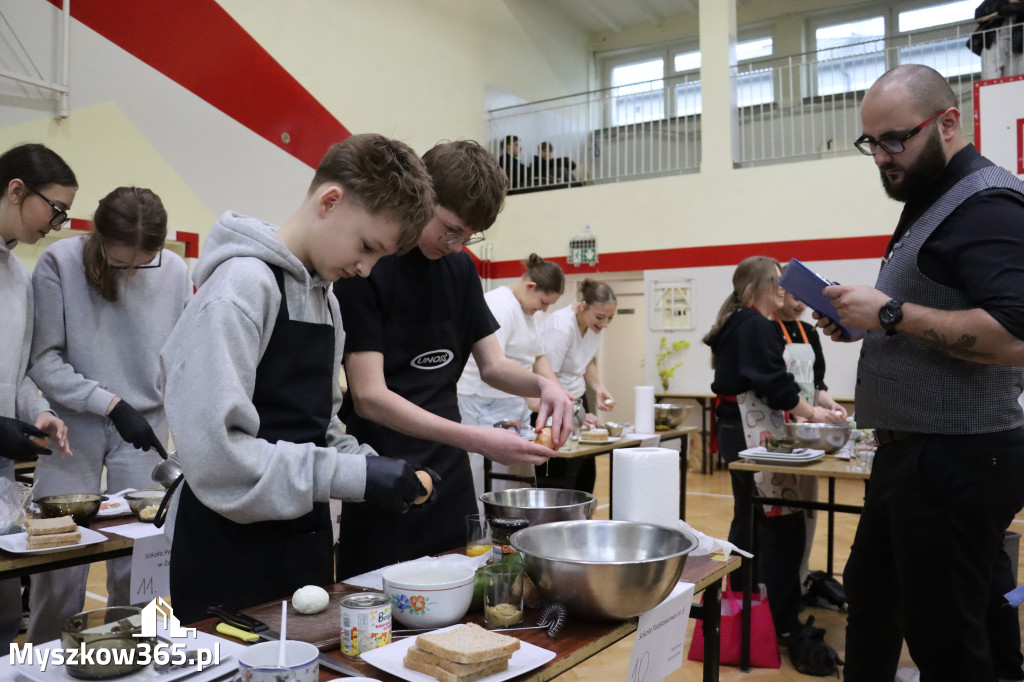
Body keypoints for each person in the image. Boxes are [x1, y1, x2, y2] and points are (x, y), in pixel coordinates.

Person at [160, 134, 439, 623]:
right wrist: (353, 476)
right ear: (330, 201)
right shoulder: (241, 288)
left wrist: (378, 470)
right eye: (367, 247)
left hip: (302, 544)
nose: (366, 269)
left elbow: (322, 427)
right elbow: (216, 456)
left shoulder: (327, 301)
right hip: (228, 553)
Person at [817, 64, 1024, 682]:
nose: (881, 157)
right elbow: (920, 316)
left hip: (956, 458)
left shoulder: (986, 204)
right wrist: (869, 323)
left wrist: (890, 311)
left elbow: (1014, 336)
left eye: (894, 140)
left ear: (949, 122)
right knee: (878, 598)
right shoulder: (931, 200)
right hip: (915, 455)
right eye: (871, 144)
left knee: (944, 636)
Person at [334, 140, 572, 579]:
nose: (457, 243)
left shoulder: (461, 268)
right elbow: (369, 396)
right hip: (383, 466)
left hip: (449, 469)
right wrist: (475, 438)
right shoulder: (369, 263)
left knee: (462, 593)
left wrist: (546, 386)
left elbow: (494, 366)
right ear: (421, 197)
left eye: (469, 236)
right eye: (449, 229)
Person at [25, 186, 190, 642]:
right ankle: (42, 662)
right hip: (70, 427)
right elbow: (44, 359)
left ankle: (132, 657)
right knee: (57, 565)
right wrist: (110, 403)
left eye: (143, 263)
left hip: (145, 427)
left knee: (141, 563)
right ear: (98, 240)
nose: (134, 272)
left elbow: (181, 355)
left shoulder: (173, 270)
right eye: (122, 264)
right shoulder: (59, 262)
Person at [703, 256, 842, 654]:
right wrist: (811, 412)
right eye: (777, 283)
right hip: (751, 432)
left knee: (750, 521)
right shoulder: (755, 325)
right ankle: (778, 619)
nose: (785, 291)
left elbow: (801, 382)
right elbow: (774, 382)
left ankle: (747, 605)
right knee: (780, 527)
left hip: (745, 431)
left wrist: (815, 405)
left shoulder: (743, 323)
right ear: (756, 288)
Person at [0, 143, 73, 651]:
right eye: (57, 208)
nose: (59, 224)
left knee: (5, 615)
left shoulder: (17, 277)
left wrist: (39, 411)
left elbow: (16, 374)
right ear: (16, 189)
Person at [457, 253, 565, 502]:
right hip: (482, 402)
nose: (545, 309)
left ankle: (515, 529)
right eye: (544, 301)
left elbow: (538, 357)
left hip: (512, 403)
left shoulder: (532, 312)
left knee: (516, 480)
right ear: (530, 286)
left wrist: (555, 390)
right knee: (485, 480)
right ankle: (485, 532)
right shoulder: (499, 305)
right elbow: (495, 366)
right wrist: (533, 395)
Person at [773, 286, 848, 587]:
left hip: (806, 427)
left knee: (807, 508)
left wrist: (829, 405)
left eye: (804, 299)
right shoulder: (767, 330)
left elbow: (817, 384)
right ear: (778, 295)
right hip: (778, 426)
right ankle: (780, 585)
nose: (800, 304)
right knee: (781, 511)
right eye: (795, 297)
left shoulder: (808, 332)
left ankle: (800, 579)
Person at [536, 279, 617, 493]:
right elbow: (546, 374)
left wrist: (599, 388)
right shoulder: (561, 326)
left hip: (577, 398)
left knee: (585, 468)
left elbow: (587, 360)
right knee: (561, 470)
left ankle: (583, 518)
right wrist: (575, 410)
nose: (605, 323)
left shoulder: (594, 327)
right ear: (583, 306)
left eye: (610, 318)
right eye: (600, 317)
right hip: (555, 401)